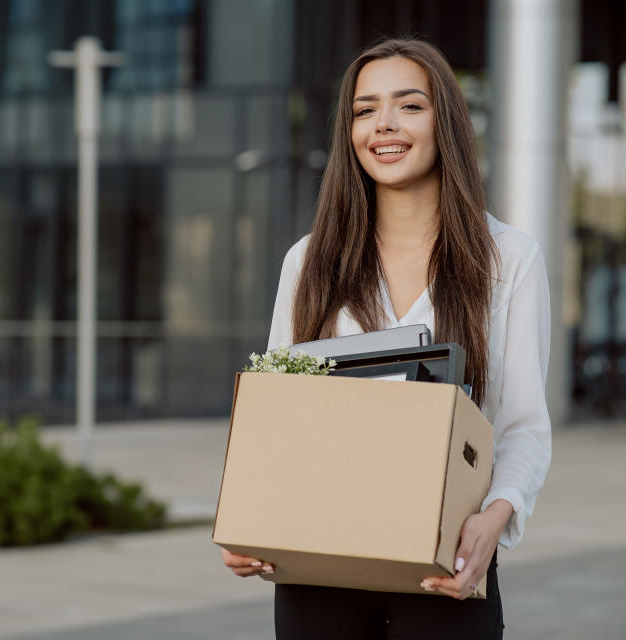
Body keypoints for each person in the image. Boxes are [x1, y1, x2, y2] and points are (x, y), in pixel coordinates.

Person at [221, 37, 551, 639]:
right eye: (364, 109)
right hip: (316, 571)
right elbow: (274, 414)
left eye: (409, 105)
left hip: (443, 567)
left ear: (444, 121)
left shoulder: (507, 258)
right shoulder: (309, 261)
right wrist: (249, 520)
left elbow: (523, 424)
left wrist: (494, 518)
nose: (384, 125)